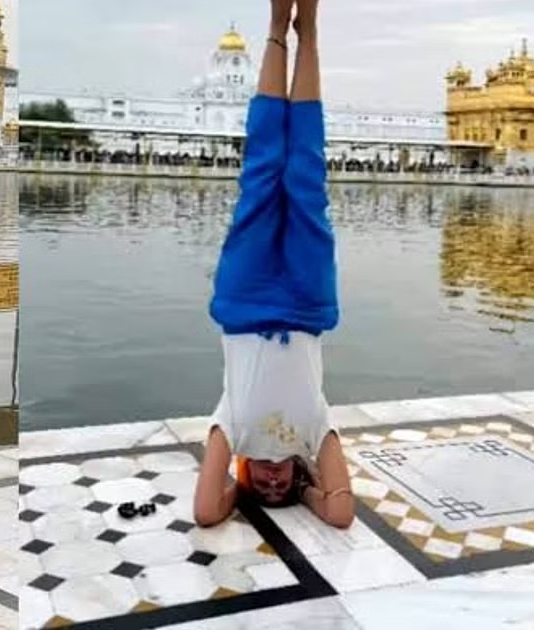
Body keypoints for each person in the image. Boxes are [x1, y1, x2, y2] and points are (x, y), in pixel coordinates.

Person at [193, 0, 355, 530]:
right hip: (307, 303)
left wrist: (236, 488)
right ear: (294, 475)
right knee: (305, 179)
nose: (272, 483)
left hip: (245, 300)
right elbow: (340, 512)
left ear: (243, 474)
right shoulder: (314, 433)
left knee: (262, 171)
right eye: (279, 487)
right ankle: (307, 34)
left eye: (264, 488)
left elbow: (204, 512)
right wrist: (308, 492)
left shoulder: (230, 429)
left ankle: (274, 30)